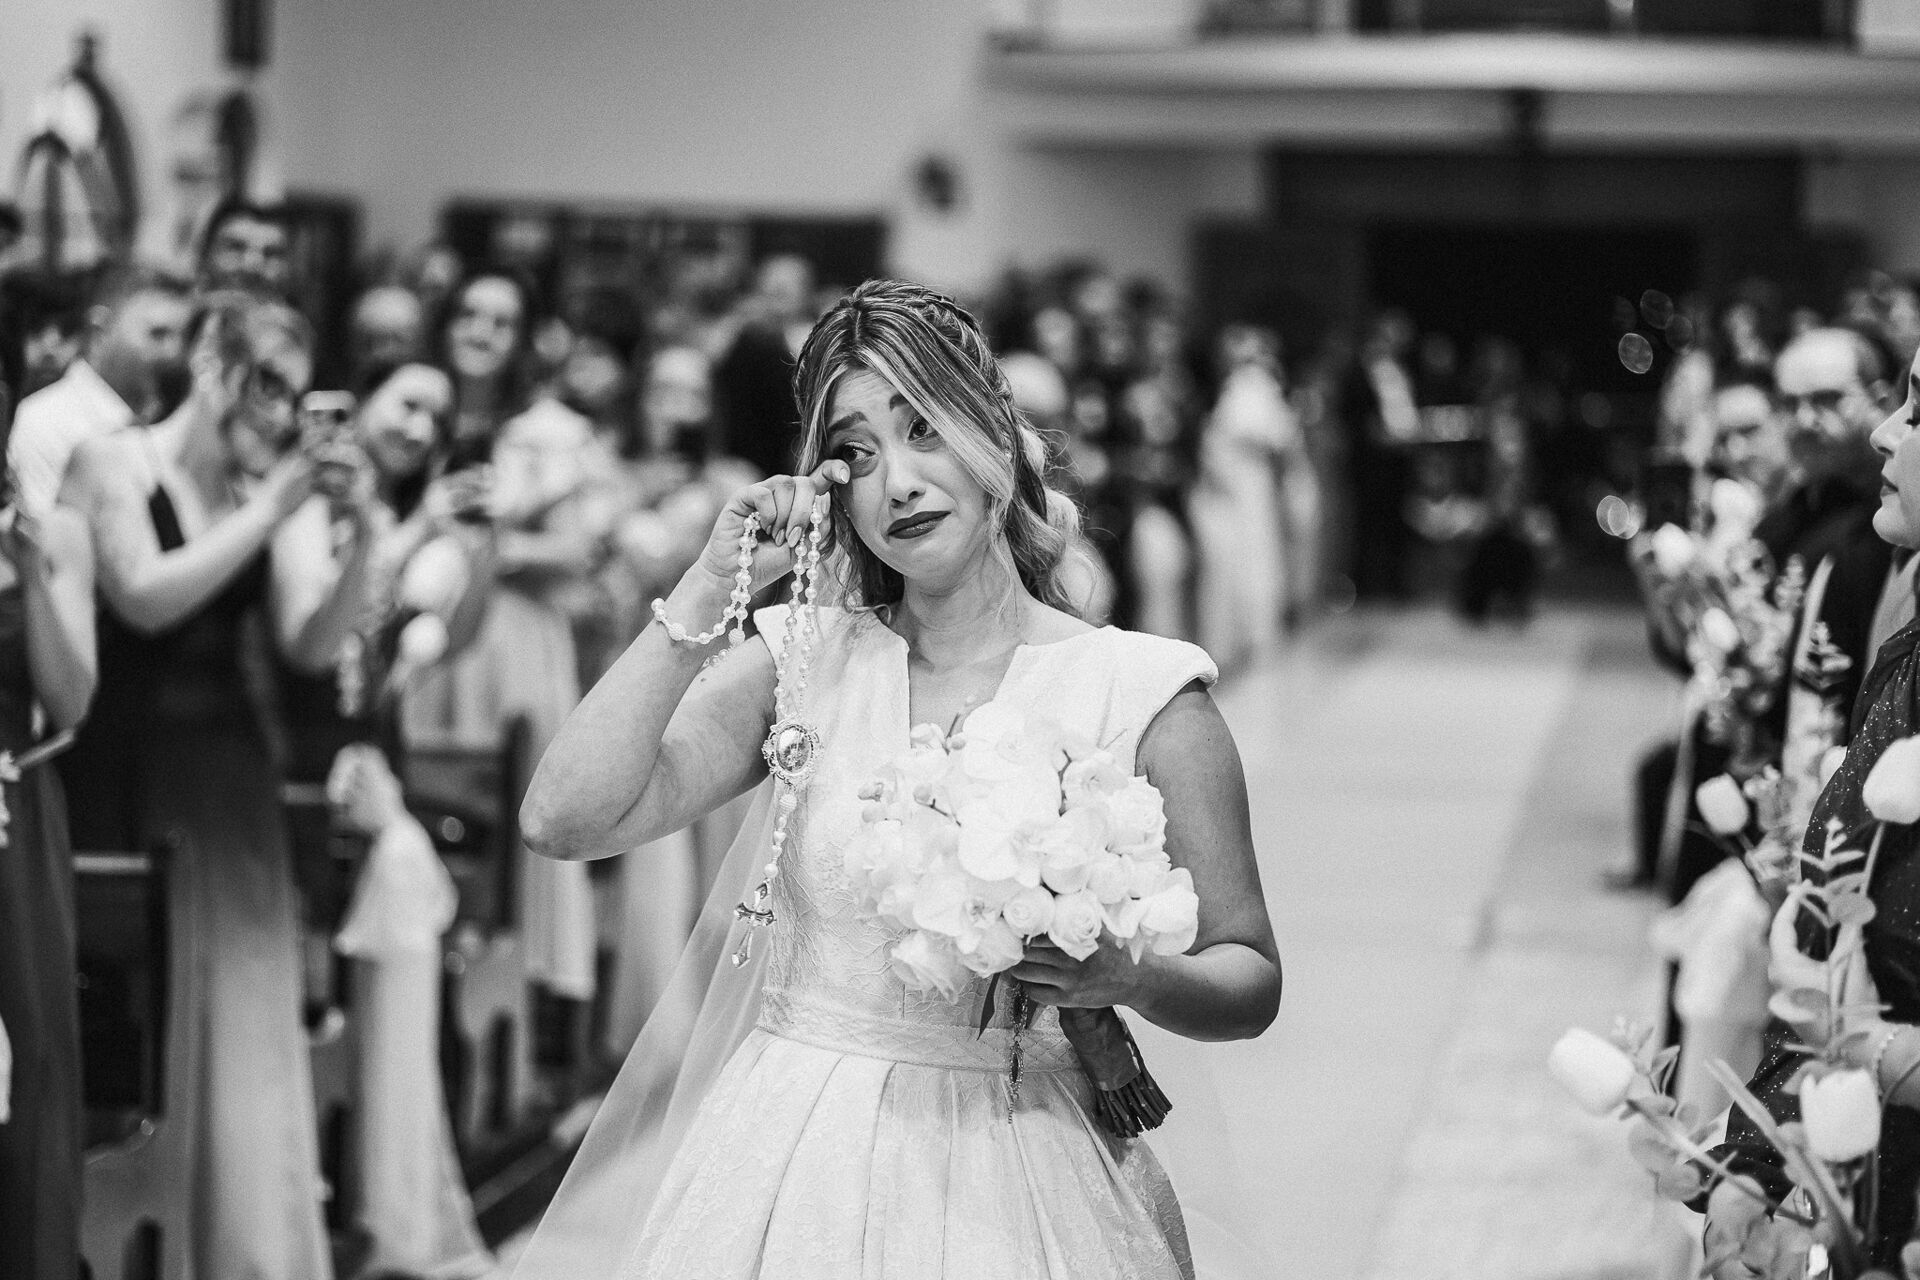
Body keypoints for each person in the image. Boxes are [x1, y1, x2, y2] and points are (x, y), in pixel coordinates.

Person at [510, 280, 1281, 1278]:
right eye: (858, 452)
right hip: (791, 1166)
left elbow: (1248, 975)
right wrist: (712, 578)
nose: (898, 483)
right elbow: (562, 816)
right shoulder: (804, 661)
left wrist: (1128, 974)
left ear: (998, 435)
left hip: (1020, 1170)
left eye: (923, 429)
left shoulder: (1137, 690)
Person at [57, 290, 377, 1280]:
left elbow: (306, 642)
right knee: (151, 997)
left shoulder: (259, 488)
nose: (281, 411)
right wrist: (271, 508)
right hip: (129, 765)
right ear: (212, 364)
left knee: (242, 1013)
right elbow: (144, 597)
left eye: (294, 390)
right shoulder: (113, 460)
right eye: (266, 382)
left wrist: (356, 534)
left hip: (234, 779)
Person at [1699, 338, 1920, 1274]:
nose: (1883, 433)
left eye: (1916, 411)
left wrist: (1882, 1056)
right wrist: (1761, 1158)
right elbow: (1841, 931)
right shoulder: (1910, 652)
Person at [0, 476, 98, 1280]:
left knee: (30, 1062)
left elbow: (69, 703)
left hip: (14, 809)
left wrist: (27, 570)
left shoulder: (51, 529)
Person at [8, 265, 191, 516]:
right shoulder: (44, 423)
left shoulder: (162, 426)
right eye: (158, 334)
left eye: (185, 337)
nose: (174, 352)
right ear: (100, 332)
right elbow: (43, 546)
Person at [198, 196, 292, 296]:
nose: (251, 265)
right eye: (236, 247)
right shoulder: (181, 311)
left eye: (271, 253)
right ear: (205, 255)